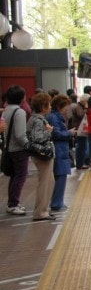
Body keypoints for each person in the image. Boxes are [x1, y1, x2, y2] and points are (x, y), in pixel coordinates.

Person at [27, 92, 56, 221]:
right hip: (43, 155)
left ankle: (43, 209)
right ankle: (40, 212)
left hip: (40, 155)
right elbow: (37, 138)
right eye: (48, 104)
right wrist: (48, 131)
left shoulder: (34, 118)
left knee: (49, 182)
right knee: (45, 183)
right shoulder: (38, 120)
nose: (50, 107)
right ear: (43, 106)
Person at [47, 94, 76, 212]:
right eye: (65, 107)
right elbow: (56, 134)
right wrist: (69, 133)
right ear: (59, 106)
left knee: (60, 176)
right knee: (60, 176)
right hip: (59, 150)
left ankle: (58, 201)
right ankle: (57, 203)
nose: (66, 110)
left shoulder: (54, 116)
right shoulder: (54, 117)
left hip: (60, 149)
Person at [3, 85, 30, 215]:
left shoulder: (6, 110)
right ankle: (13, 204)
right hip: (19, 150)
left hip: (9, 148)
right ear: (22, 97)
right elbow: (20, 135)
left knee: (14, 176)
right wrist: (28, 145)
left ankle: (12, 202)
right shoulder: (19, 112)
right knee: (20, 176)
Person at [72, 94, 90, 169]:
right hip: (79, 129)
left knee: (83, 146)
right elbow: (80, 115)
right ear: (84, 101)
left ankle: (83, 162)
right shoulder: (78, 107)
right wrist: (86, 108)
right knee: (81, 147)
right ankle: (80, 164)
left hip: (82, 129)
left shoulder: (80, 106)